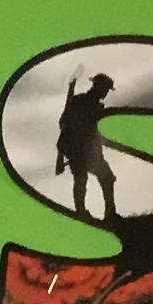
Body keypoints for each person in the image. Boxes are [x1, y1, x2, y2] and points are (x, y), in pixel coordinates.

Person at [53, 70, 119, 229]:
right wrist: (60, 157)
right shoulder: (79, 102)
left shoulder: (97, 107)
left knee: (106, 178)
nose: (106, 93)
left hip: (92, 152)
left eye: (107, 89)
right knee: (81, 179)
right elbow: (65, 124)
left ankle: (109, 213)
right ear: (97, 86)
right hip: (77, 150)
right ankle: (81, 212)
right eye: (105, 88)